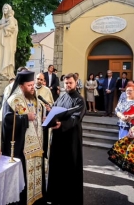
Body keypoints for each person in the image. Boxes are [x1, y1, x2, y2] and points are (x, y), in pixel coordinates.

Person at [1, 70, 47, 205]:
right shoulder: (13, 100)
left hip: (36, 147)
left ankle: (37, 199)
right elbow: (7, 120)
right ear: (21, 86)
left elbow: (37, 115)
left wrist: (43, 117)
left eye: (33, 85)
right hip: (23, 148)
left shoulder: (34, 98)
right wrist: (26, 117)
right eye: (29, 85)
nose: (33, 87)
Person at [46, 73, 86, 205]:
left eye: (70, 83)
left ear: (75, 83)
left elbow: (76, 118)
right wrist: (50, 112)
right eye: (66, 83)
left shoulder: (80, 100)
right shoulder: (61, 97)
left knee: (69, 167)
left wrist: (62, 124)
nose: (68, 85)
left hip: (71, 139)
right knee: (57, 166)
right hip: (58, 137)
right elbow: (55, 111)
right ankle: (56, 196)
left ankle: (69, 199)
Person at [0, 4, 18, 79]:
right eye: (3, 8)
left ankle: (7, 72)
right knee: (1, 56)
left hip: (9, 42)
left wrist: (7, 29)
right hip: (1, 42)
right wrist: (2, 27)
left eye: (6, 8)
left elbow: (15, 30)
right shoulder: (1, 20)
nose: (4, 10)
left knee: (8, 56)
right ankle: (0, 71)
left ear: (9, 10)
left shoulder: (14, 20)